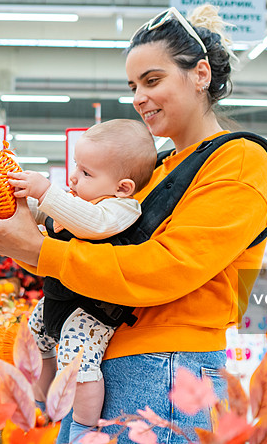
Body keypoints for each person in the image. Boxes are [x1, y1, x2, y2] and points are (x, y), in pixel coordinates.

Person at [0, 4, 267, 444]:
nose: (139, 97)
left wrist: (37, 249)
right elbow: (103, 254)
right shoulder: (159, 169)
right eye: (133, 86)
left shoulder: (239, 160)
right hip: (116, 362)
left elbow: (167, 267)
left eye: (153, 80)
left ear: (201, 74)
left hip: (167, 368)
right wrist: (22, 229)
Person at [8, 119, 157, 442]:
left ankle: (83, 426)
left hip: (89, 312)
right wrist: (16, 201)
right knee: (33, 342)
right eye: (77, 166)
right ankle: (41, 403)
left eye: (87, 173)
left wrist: (46, 192)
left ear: (123, 187)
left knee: (77, 365)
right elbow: (44, 213)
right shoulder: (79, 202)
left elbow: (91, 224)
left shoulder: (120, 209)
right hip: (59, 299)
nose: (74, 176)